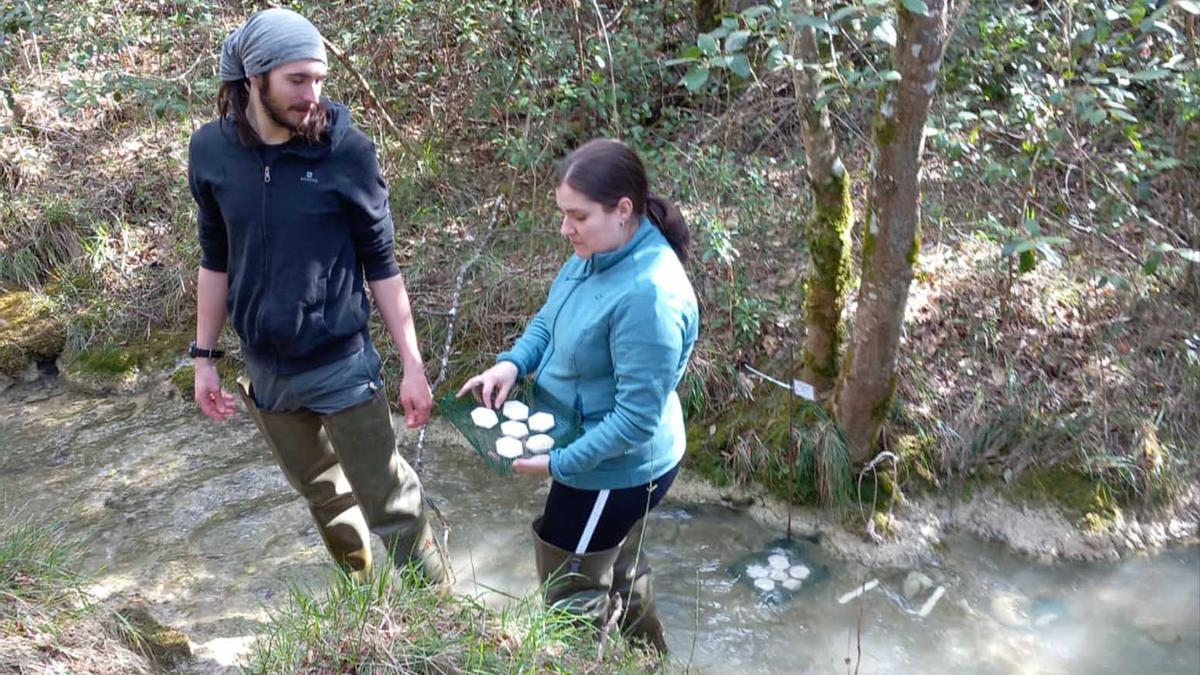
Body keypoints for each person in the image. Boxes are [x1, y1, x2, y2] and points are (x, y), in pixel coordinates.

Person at [186, 8, 445, 583]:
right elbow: (215, 257)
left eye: (319, 79)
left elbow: (382, 264)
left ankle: (441, 618)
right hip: (267, 373)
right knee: (325, 499)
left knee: (393, 507)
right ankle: (364, 604)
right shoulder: (211, 151)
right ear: (255, 79)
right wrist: (204, 358)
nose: (313, 94)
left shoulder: (346, 152)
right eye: (297, 80)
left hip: (340, 364)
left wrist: (412, 364)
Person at [458, 138, 699, 651]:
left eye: (577, 216)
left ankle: (586, 661)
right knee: (622, 567)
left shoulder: (648, 296)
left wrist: (560, 463)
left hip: (616, 467)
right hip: (590, 444)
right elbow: (550, 319)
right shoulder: (598, 251)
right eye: (563, 214)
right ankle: (649, 660)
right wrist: (512, 362)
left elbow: (634, 421)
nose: (565, 229)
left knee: (570, 587)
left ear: (623, 210)